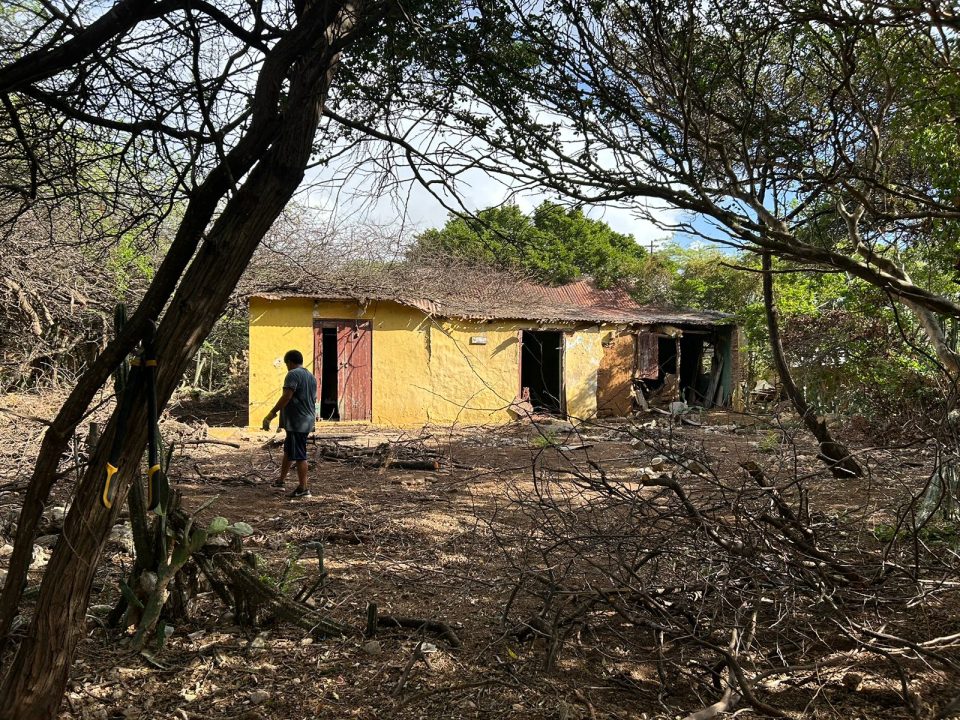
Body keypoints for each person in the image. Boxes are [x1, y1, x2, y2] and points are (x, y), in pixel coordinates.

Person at [262, 349, 317, 497]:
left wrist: (272, 413)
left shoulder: (292, 374)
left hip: (297, 422)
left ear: (289, 362)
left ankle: (303, 488)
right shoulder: (310, 376)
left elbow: (287, 396)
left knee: (299, 454)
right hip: (306, 420)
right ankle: (281, 481)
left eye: (286, 364)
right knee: (289, 450)